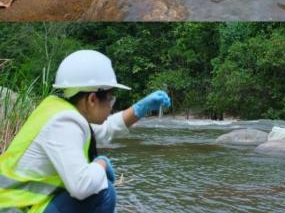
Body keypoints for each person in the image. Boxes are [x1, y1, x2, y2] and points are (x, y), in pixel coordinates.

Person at [0, 50, 171, 212]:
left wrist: (140, 108)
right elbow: (81, 186)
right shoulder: (65, 124)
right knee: (103, 193)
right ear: (92, 99)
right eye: (111, 99)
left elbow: (105, 130)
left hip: (21, 205)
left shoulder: (60, 111)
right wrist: (101, 164)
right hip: (14, 209)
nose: (111, 106)